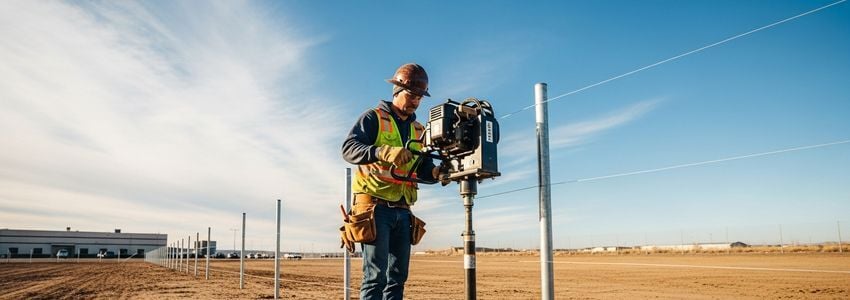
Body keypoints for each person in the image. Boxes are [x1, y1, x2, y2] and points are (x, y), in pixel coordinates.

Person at [341, 63, 441, 300]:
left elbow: (423, 169)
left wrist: (436, 173)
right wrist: (382, 151)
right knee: (376, 278)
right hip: (375, 209)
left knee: (397, 278)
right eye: (412, 95)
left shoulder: (420, 130)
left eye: (419, 97)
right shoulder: (374, 118)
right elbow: (349, 148)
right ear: (396, 91)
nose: (416, 101)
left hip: (404, 211)